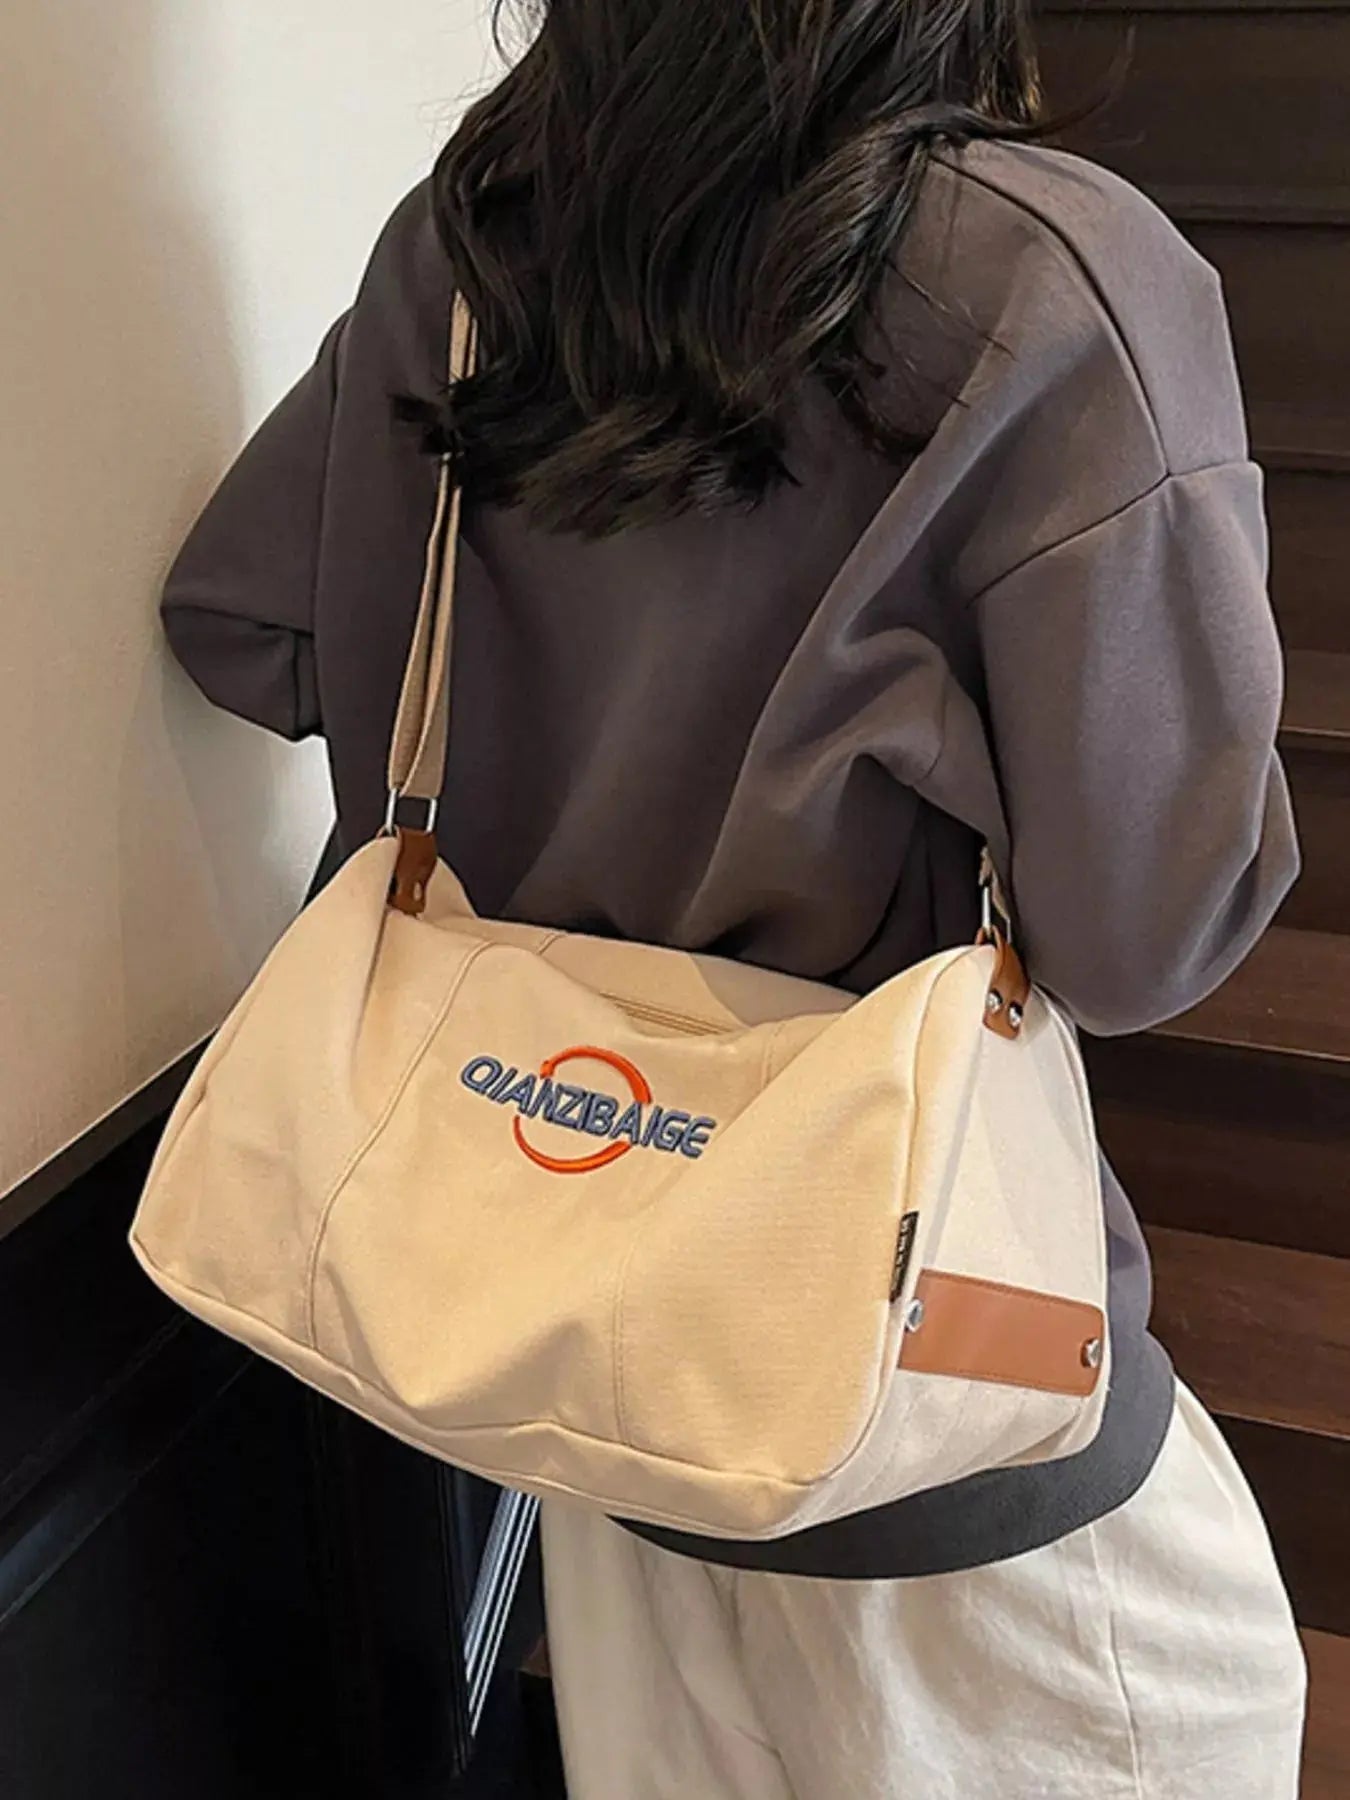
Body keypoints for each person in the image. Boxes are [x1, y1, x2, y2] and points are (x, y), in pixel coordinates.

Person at [158, 2, 1308, 1793]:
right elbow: (1146, 933)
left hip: (592, 1359)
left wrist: (561, 742)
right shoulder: (1053, 277)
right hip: (928, 1389)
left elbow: (243, 627)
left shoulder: (465, 256)